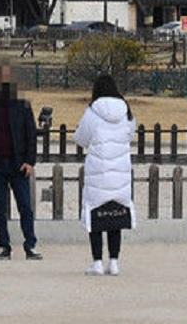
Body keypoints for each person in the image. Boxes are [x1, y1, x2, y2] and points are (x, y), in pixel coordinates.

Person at [73, 74, 136, 276]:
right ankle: (114, 262)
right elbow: (130, 134)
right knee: (115, 216)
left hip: (98, 171)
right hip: (120, 171)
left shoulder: (92, 112)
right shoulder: (127, 112)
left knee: (96, 217)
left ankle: (97, 262)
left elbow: (82, 138)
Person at [0, 65, 40, 260]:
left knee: (25, 206)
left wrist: (30, 161)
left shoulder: (22, 104)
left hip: (18, 163)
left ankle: (30, 244)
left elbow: (31, 134)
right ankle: (4, 246)